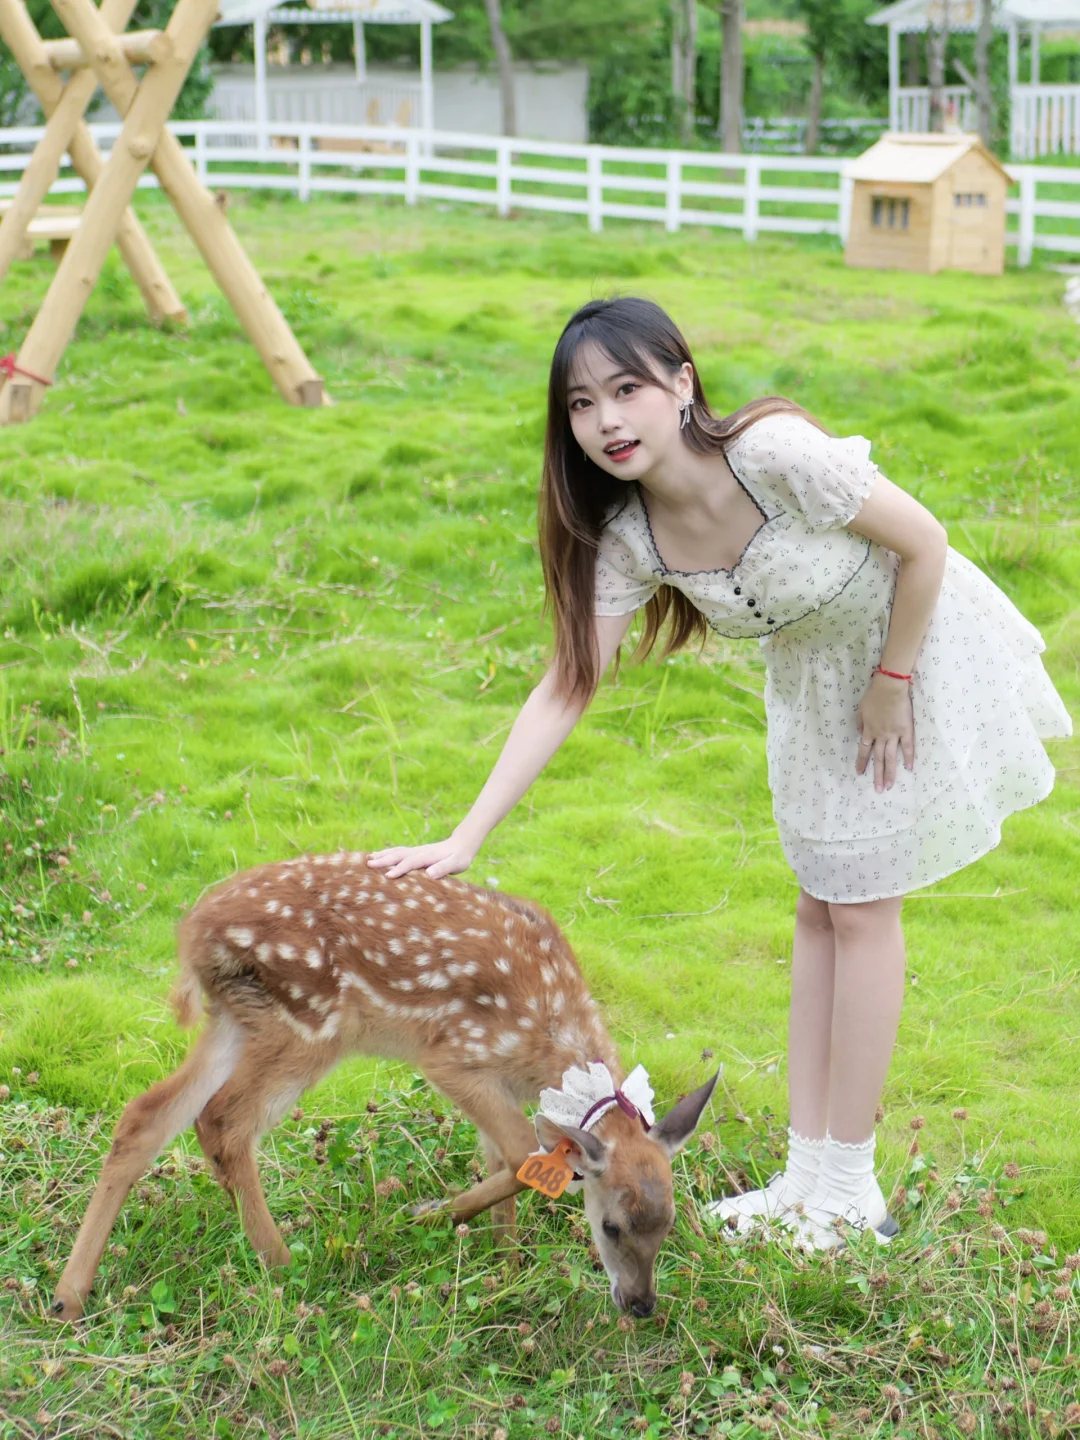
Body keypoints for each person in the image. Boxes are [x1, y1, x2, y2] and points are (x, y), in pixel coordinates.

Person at [368, 296, 1072, 1250]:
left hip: (910, 654)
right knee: (819, 910)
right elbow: (568, 685)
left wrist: (893, 683)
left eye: (627, 389)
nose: (607, 421)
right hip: (813, 691)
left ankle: (850, 1190)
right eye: (582, 405)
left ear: (682, 384)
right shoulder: (632, 537)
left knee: (863, 911)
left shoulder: (774, 454)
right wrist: (466, 835)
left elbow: (925, 543)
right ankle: (807, 1177)